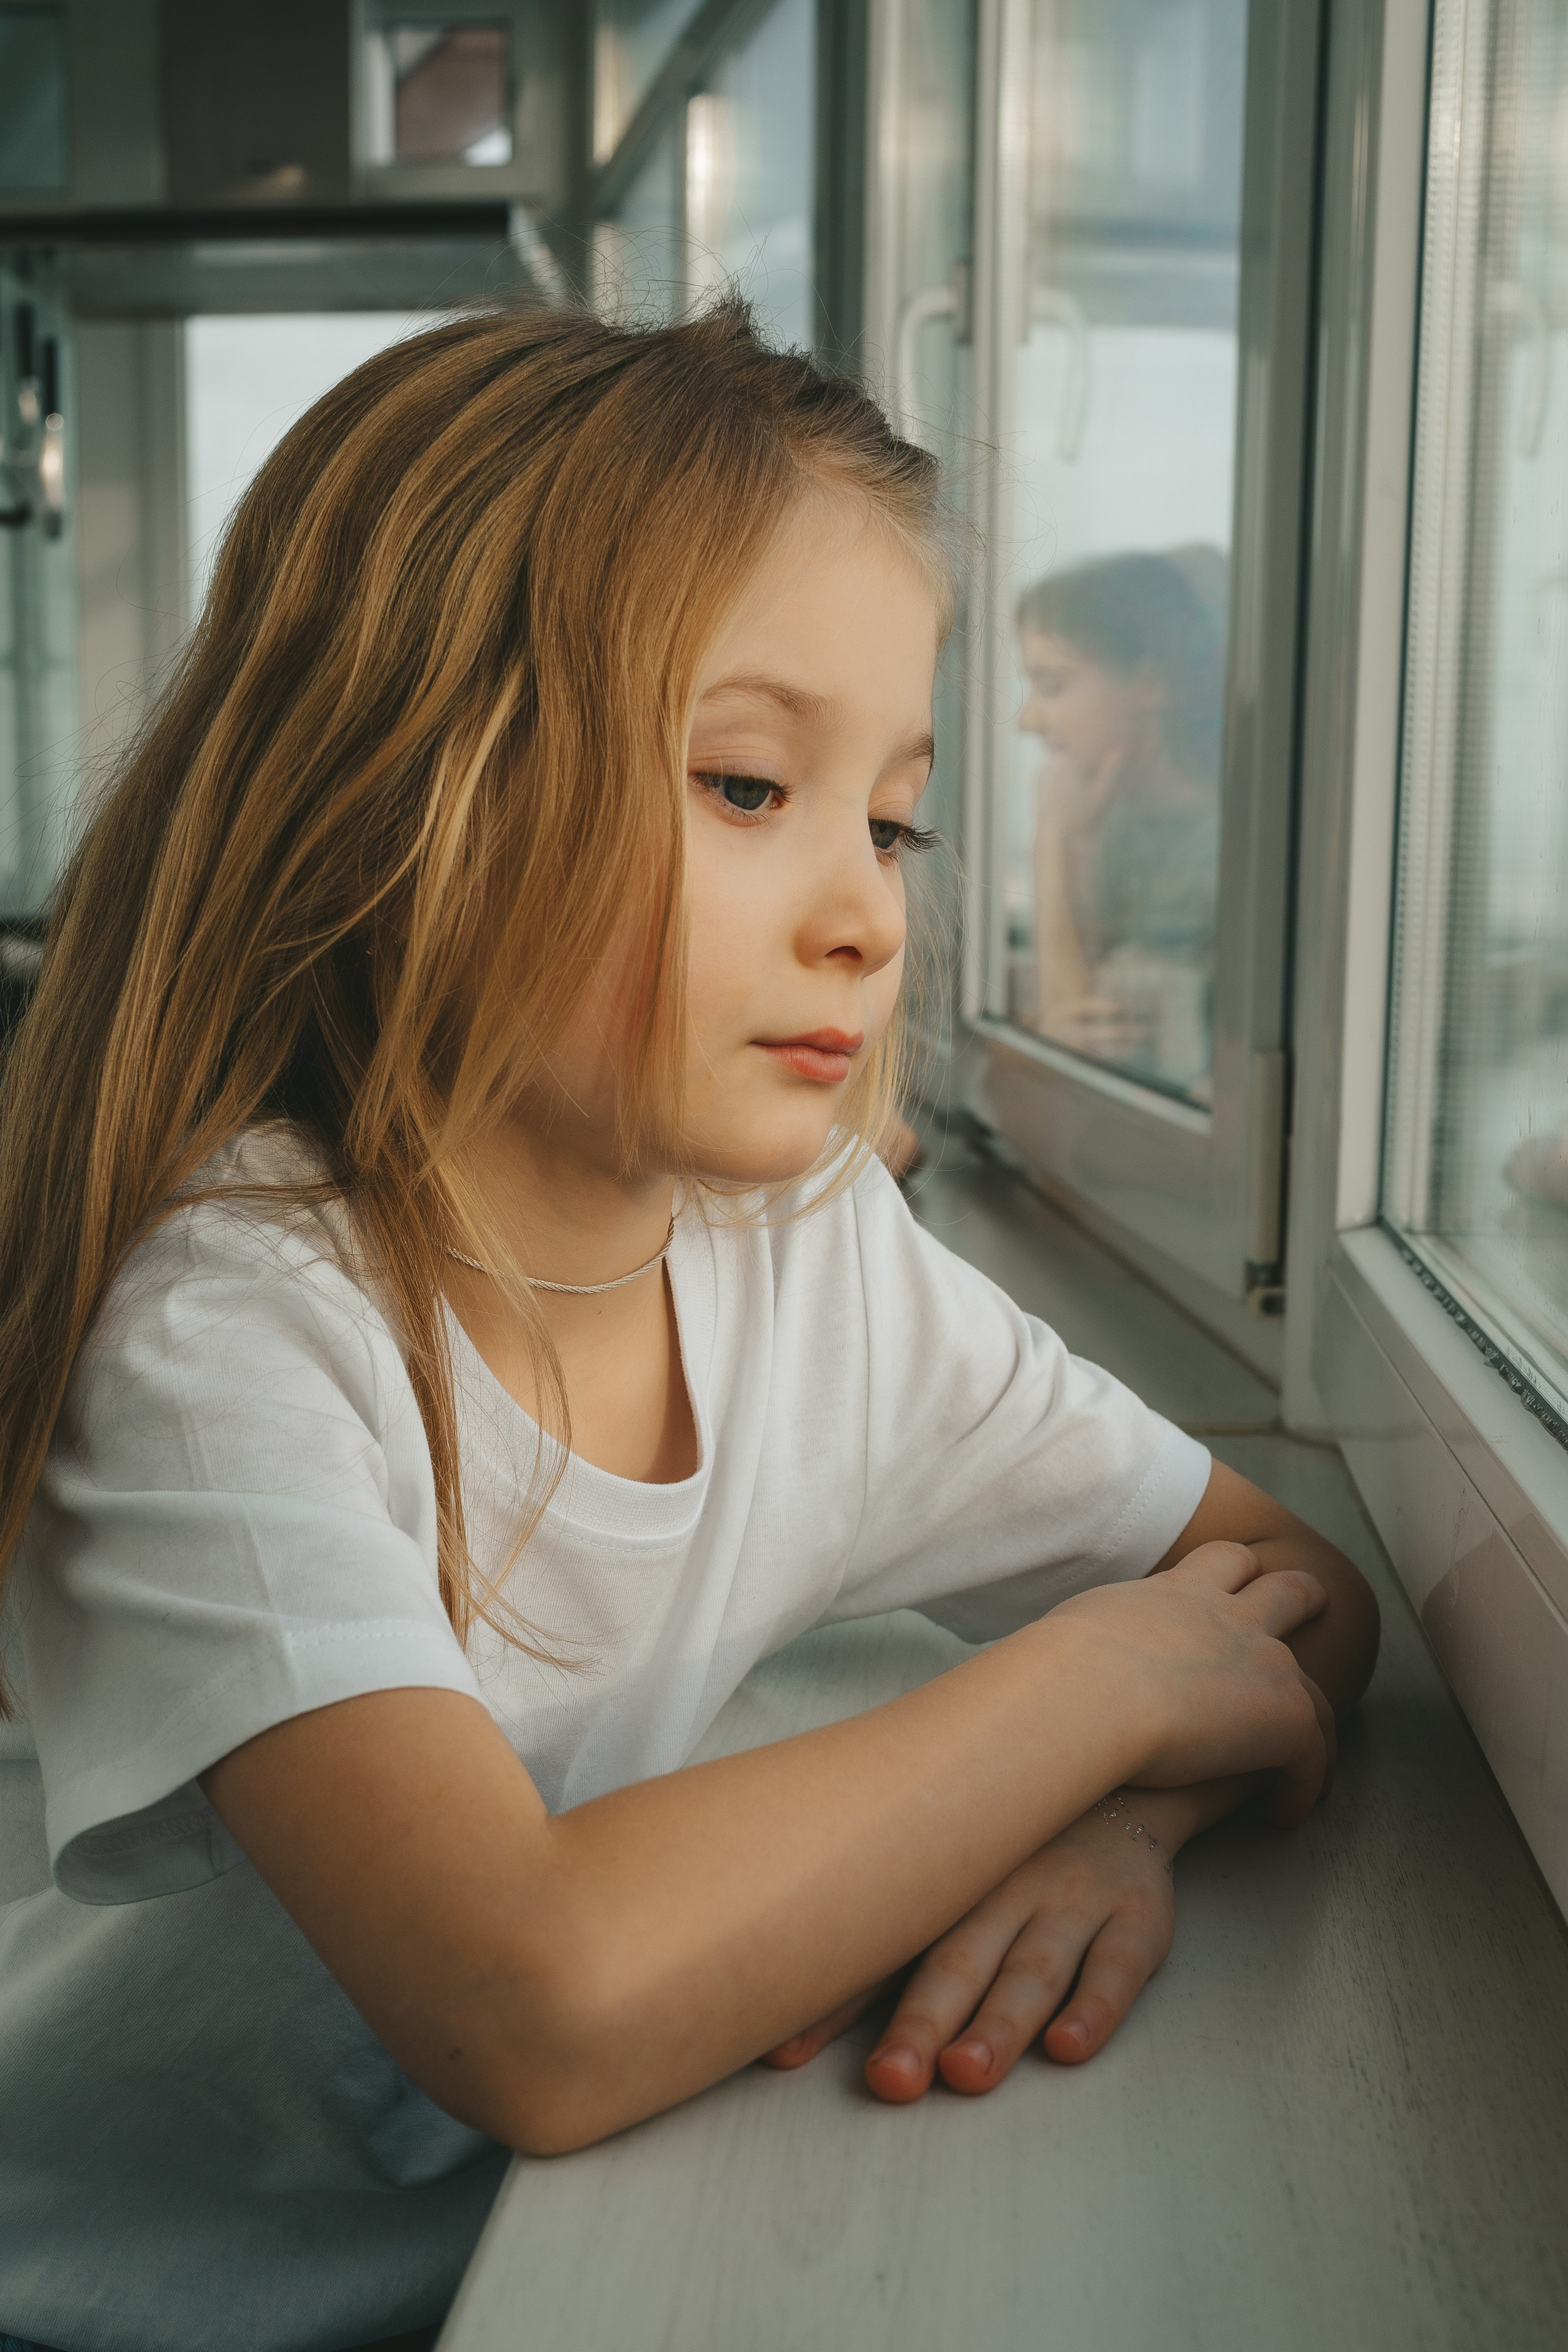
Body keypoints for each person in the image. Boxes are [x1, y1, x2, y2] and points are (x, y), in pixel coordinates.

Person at [0, 306, 1378, 2352]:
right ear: (410, 788)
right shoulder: (233, 1326)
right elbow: (534, 2002)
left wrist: (1128, 1814)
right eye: (748, 786)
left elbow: (1291, 1597)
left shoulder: (806, 1253)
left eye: (891, 821)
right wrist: (1102, 1686)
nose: (871, 914)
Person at [1017, 549, 1226, 1096]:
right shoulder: (1113, 830)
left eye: (1052, 685)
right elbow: (1068, 1028)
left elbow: (1075, 1038)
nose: (1027, 720)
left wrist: (1052, 837)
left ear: (1149, 684)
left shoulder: (1224, 853)